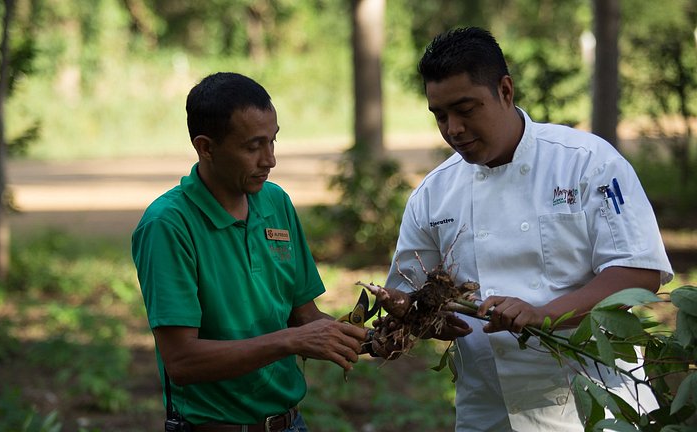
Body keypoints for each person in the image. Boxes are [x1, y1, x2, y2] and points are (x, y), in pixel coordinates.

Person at [383, 27, 673, 431]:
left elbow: (638, 271)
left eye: (466, 109)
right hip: (489, 411)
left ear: (505, 90)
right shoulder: (433, 194)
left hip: (592, 406)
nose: (453, 129)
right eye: (440, 115)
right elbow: (404, 289)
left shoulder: (587, 163)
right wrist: (422, 316)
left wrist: (543, 314)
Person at [132, 72, 367, 431]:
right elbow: (182, 362)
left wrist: (372, 337)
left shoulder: (276, 203)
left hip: (290, 423)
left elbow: (304, 318)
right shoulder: (169, 225)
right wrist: (290, 341)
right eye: (253, 146)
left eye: (273, 142)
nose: (270, 160)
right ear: (206, 147)